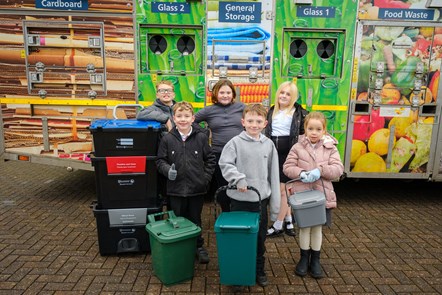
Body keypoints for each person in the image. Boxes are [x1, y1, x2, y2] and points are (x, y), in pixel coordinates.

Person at [219, 104, 281, 287]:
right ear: (243, 122)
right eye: (250, 121)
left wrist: (275, 208)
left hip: (259, 201)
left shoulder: (269, 145)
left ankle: (258, 268)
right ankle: (239, 270)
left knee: (260, 237)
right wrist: (238, 179)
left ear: (265, 123)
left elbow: (274, 175)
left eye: (258, 121)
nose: (254, 124)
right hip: (238, 200)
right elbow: (226, 164)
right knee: (240, 237)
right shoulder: (234, 143)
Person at [283, 112, 344, 279]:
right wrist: (301, 173)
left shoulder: (331, 147)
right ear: (305, 129)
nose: (314, 132)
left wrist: (321, 170)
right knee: (304, 228)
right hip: (302, 196)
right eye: (310, 128)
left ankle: (315, 260)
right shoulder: (297, 147)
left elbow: (338, 169)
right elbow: (287, 167)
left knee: (317, 228)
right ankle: (303, 258)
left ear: (324, 130)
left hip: (321, 196)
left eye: (318, 129)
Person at [156, 101, 216, 264]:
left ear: (193, 118)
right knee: (176, 220)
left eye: (186, 116)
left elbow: (210, 159)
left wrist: (205, 178)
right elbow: (160, 160)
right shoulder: (167, 139)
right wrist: (168, 170)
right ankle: (179, 247)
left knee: (195, 219)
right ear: (174, 118)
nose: (183, 119)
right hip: (175, 190)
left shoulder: (201, 137)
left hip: (196, 189)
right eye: (179, 116)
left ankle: (198, 246)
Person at [265, 81, 308, 237]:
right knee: (285, 190)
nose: (284, 96)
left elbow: (306, 134)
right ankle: (289, 220)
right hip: (273, 154)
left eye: (288, 94)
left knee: (283, 191)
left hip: (289, 155)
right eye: (282, 92)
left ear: (294, 97)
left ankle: (278, 224)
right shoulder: (271, 111)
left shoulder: (299, 113)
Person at [195, 79, 245, 212]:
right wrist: (203, 133)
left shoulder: (242, 108)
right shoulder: (209, 110)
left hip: (240, 153)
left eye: (228, 92)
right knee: (223, 185)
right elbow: (192, 121)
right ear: (216, 94)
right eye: (222, 92)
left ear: (233, 94)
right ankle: (226, 213)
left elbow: (255, 120)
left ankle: (239, 211)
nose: (225, 95)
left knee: (240, 183)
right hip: (219, 153)